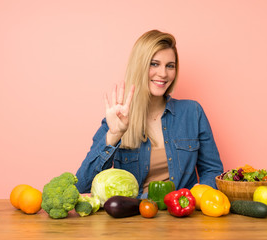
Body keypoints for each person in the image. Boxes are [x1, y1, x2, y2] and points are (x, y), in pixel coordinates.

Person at [75, 29, 223, 197]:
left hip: (182, 216)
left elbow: (212, 170)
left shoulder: (192, 112)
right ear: (139, 66)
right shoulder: (117, 119)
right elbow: (82, 185)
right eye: (154, 64)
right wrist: (113, 135)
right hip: (136, 217)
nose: (163, 74)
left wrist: (195, 198)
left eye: (170, 66)